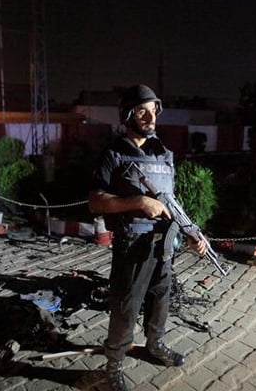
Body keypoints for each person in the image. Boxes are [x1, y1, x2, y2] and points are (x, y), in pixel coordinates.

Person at [88, 84, 207, 391]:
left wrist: (192, 233)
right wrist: (138, 203)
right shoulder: (114, 153)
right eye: (142, 110)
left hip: (164, 244)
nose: (149, 116)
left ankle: (155, 345)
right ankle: (112, 365)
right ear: (128, 114)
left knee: (161, 299)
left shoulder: (164, 155)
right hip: (132, 245)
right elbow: (96, 201)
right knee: (127, 305)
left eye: (153, 110)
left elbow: (172, 203)